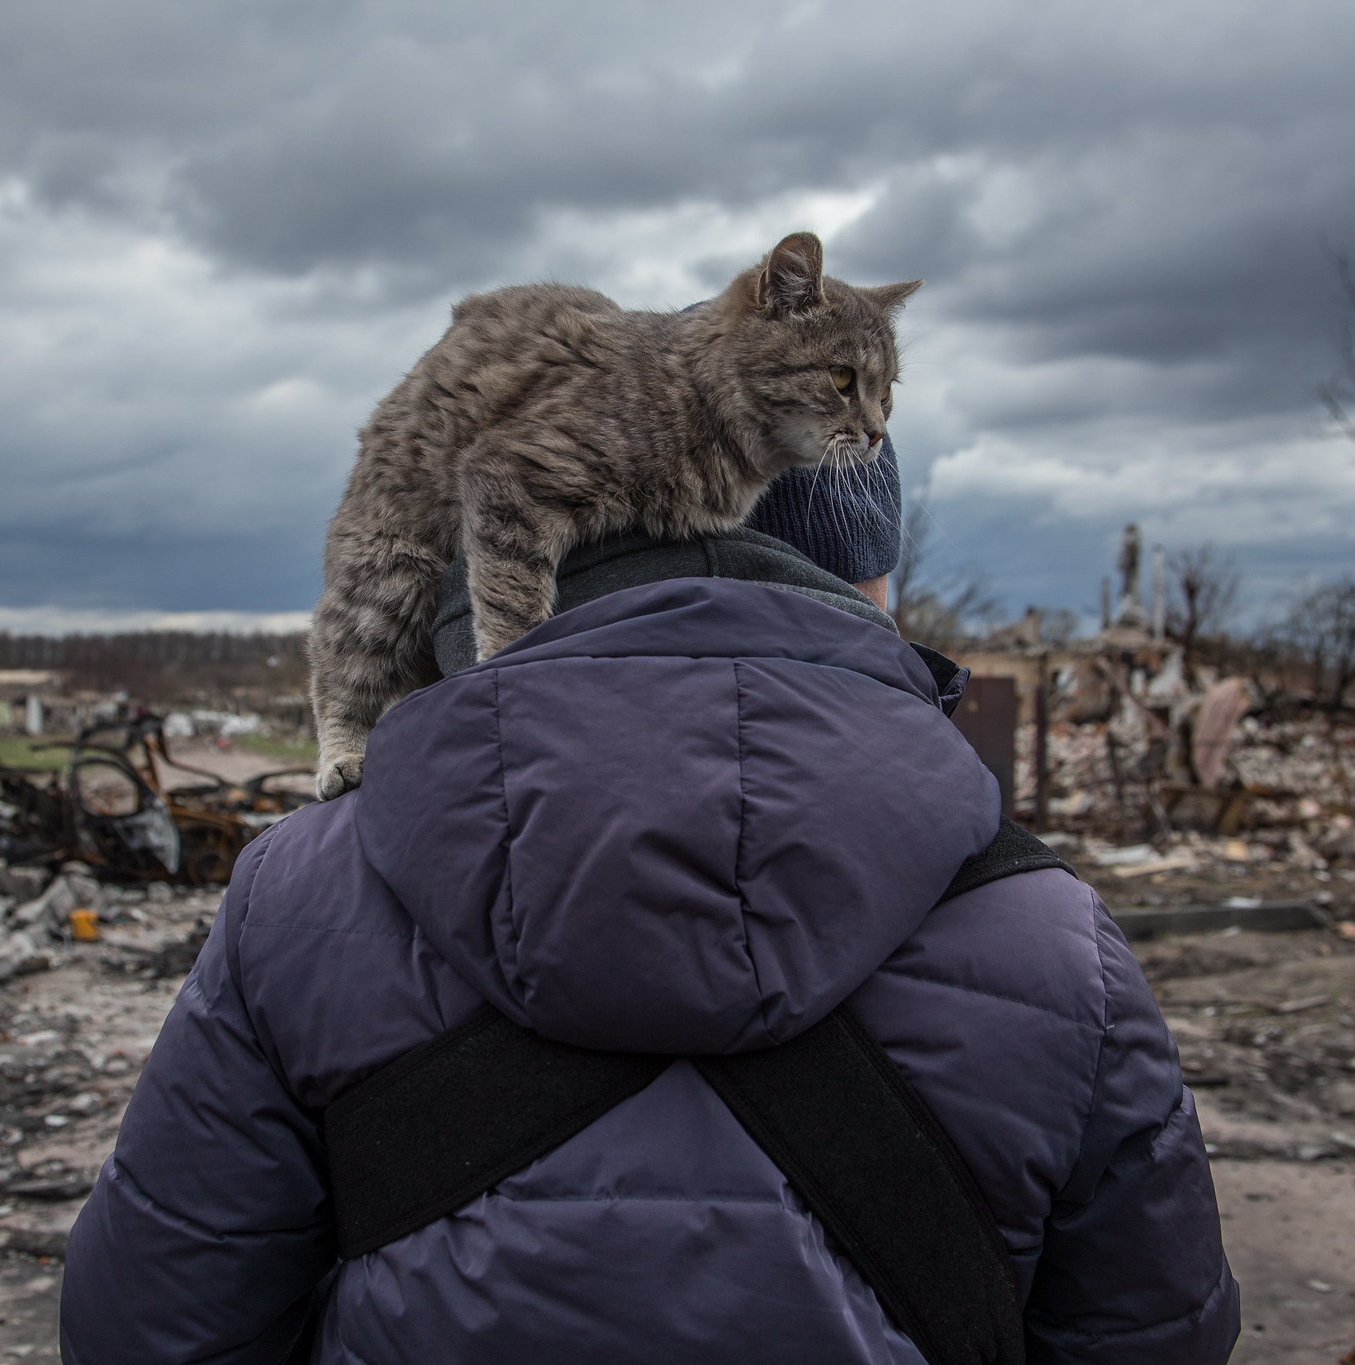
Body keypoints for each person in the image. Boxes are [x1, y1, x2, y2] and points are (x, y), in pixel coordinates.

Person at [61, 445, 1240, 1363]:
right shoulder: (1050, 941)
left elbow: (154, 1333)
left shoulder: (301, 896)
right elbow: (1151, 1334)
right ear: (871, 586)